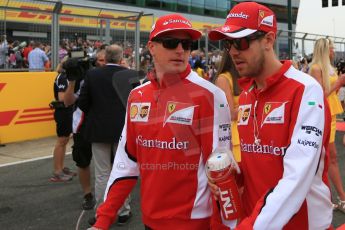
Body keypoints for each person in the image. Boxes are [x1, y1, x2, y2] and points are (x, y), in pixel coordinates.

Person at [90, 13, 232, 230]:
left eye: (186, 44)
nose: (180, 50)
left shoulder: (210, 95)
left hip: (194, 223)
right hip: (150, 220)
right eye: (171, 42)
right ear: (152, 47)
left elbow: (220, 172)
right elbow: (126, 162)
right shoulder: (137, 95)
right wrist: (103, 220)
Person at [208, 2, 332, 229]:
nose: (233, 51)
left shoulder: (305, 90)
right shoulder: (246, 96)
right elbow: (257, 164)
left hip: (300, 223)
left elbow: (296, 179)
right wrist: (233, 178)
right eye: (228, 43)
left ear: (268, 40)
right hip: (260, 219)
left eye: (241, 42)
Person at [77, 44, 131, 225]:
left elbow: (83, 102)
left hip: (98, 129)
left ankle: (102, 211)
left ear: (105, 57)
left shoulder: (92, 74)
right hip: (122, 130)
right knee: (123, 170)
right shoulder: (129, 74)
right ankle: (124, 210)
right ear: (121, 57)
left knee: (102, 173)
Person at [309, 38, 345, 213]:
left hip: (330, 113)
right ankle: (340, 198)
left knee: (329, 157)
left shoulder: (328, 68)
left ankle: (334, 198)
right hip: (322, 114)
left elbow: (332, 92)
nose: (334, 51)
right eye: (332, 49)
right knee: (330, 156)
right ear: (325, 50)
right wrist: (338, 83)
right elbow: (319, 94)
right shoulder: (316, 68)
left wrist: (338, 85)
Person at [50, 58, 76, 182]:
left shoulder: (67, 76)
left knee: (64, 140)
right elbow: (61, 98)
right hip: (63, 111)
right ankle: (57, 171)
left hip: (67, 111)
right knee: (61, 141)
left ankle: (61, 167)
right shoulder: (62, 77)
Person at [214, 50, 241, 162]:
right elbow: (230, 114)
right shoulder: (223, 79)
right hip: (234, 138)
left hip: (252, 134)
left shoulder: (249, 76)